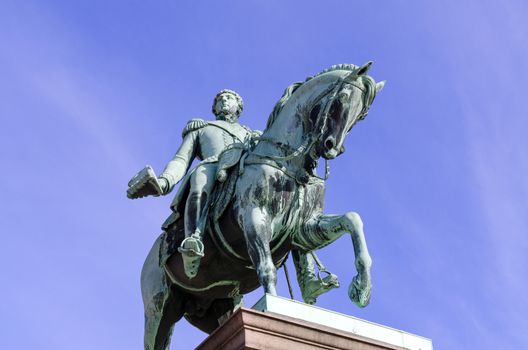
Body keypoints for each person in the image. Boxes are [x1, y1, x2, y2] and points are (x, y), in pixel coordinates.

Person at [128, 89, 257, 278]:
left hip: (243, 169)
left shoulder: (250, 134)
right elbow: (181, 159)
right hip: (213, 166)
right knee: (200, 179)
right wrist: (164, 181)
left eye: (229, 98)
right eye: (219, 99)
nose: (223, 100)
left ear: (239, 107)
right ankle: (193, 240)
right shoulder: (202, 128)